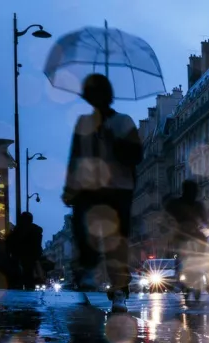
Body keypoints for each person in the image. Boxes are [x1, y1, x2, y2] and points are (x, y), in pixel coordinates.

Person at [63, 73, 142, 312]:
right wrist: (70, 186)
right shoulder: (82, 124)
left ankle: (119, 291)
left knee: (116, 242)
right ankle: (88, 265)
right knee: (82, 226)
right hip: (91, 188)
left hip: (118, 188)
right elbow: (75, 156)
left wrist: (115, 142)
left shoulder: (123, 122)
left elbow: (136, 155)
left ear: (106, 96)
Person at [164, 179, 209, 293]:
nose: (193, 194)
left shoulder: (178, 203)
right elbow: (167, 217)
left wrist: (207, 227)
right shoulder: (178, 204)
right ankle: (180, 275)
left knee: (196, 251)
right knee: (180, 254)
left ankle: (193, 273)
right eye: (192, 191)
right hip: (183, 234)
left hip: (191, 234)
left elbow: (205, 220)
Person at [5, 211, 44, 290]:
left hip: (19, 256)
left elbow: (10, 242)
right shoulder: (36, 230)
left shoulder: (18, 229)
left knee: (18, 275)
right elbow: (37, 245)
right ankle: (30, 288)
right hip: (30, 257)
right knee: (29, 276)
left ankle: (19, 287)